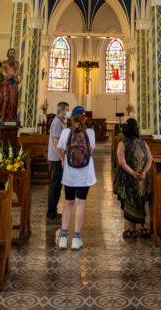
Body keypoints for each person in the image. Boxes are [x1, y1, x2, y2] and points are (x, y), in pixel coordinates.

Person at [56, 106, 95, 250]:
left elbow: (59, 147)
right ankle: (76, 239)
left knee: (68, 203)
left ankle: (63, 237)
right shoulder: (90, 132)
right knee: (80, 203)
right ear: (85, 117)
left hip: (69, 174)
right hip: (85, 175)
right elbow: (92, 149)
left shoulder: (66, 132)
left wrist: (62, 159)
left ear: (71, 117)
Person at [115, 117, 152, 238]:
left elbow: (122, 162)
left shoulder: (122, 144)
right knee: (141, 202)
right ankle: (143, 228)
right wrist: (144, 172)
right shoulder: (143, 143)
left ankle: (132, 230)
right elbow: (150, 159)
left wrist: (133, 173)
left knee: (130, 202)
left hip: (129, 179)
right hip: (142, 179)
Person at [46, 101, 70, 222]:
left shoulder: (60, 122)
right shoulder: (56, 123)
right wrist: (62, 159)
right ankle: (51, 214)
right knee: (55, 186)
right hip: (57, 158)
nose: (68, 112)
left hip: (58, 157)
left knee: (57, 185)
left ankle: (53, 211)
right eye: (67, 110)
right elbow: (56, 142)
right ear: (61, 111)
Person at [0, 48, 20, 121]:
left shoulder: (16, 63)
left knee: (12, 100)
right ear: (8, 54)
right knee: (5, 99)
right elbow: (4, 73)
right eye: (10, 53)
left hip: (14, 84)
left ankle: (11, 117)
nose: (12, 54)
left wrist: (12, 75)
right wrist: (12, 76)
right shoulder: (4, 63)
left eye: (13, 53)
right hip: (6, 83)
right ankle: (2, 116)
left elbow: (18, 72)